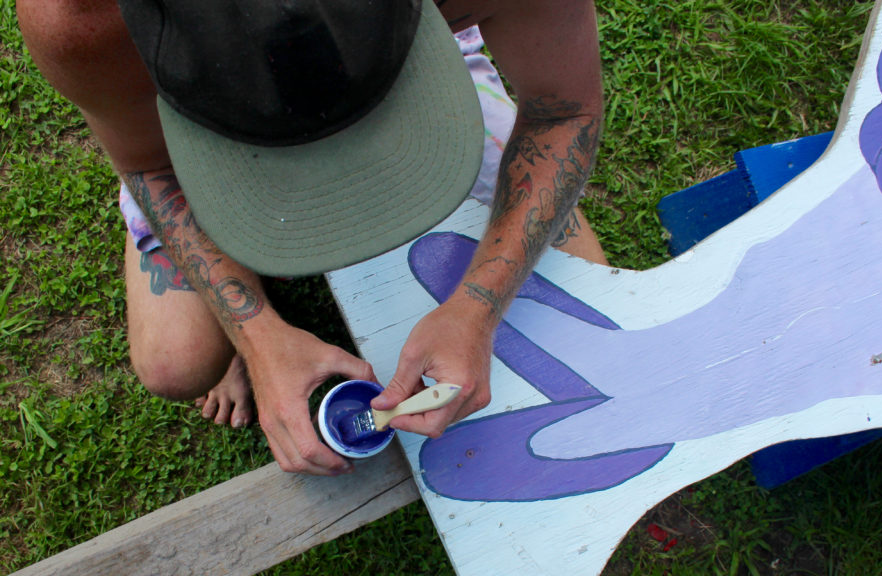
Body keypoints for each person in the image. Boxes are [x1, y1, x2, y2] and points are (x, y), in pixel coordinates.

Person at [17, 0, 607, 476]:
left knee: (579, 307)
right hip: (182, 139)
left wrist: (481, 304)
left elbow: (563, 111)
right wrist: (254, 333)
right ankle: (211, 180)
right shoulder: (80, 18)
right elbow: (148, 163)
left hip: (429, 55)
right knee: (176, 364)